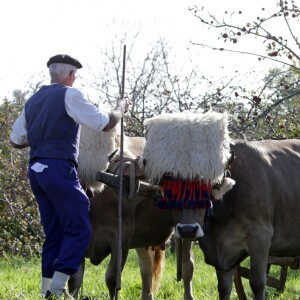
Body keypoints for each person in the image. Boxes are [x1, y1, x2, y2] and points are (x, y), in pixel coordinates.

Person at [9, 54, 129, 299]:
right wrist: (120, 109)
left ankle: (46, 292)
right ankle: (58, 287)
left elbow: (15, 140)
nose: (75, 79)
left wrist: (44, 137)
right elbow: (103, 123)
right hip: (58, 169)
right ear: (70, 74)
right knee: (80, 228)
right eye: (74, 75)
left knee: (54, 232)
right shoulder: (70, 95)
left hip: (36, 171)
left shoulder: (31, 101)